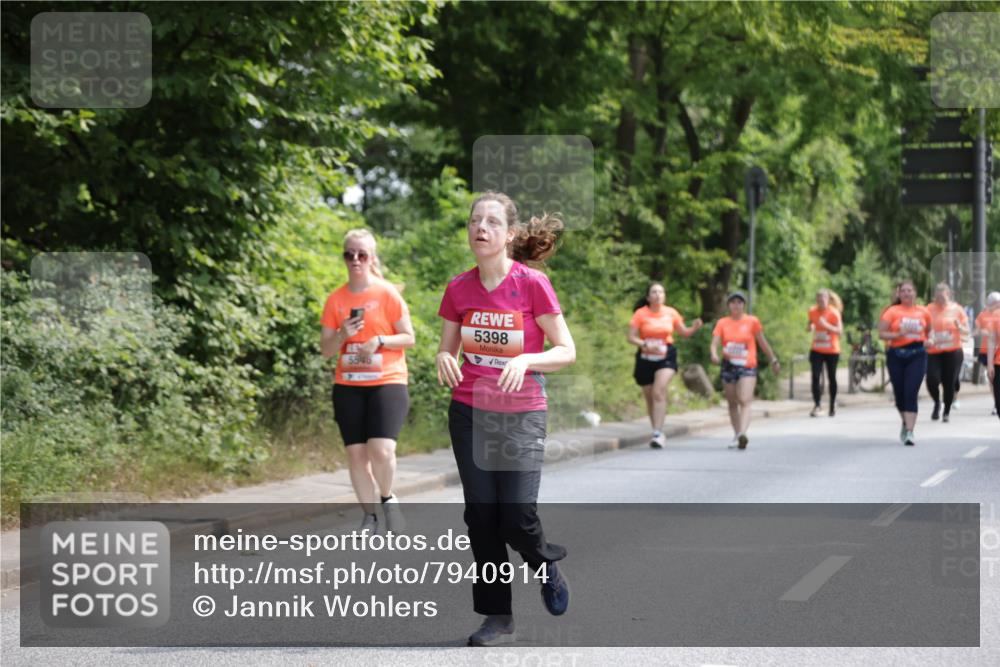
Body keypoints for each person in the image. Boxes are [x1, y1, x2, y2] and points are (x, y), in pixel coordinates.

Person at [436, 191, 576, 647]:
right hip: (470, 411)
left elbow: (566, 351)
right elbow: (447, 349)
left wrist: (527, 359)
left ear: (510, 233)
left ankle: (543, 564)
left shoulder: (532, 284)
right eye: (475, 220)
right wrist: (443, 358)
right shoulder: (459, 288)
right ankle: (498, 618)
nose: (481, 228)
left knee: (515, 514)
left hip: (521, 413)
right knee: (481, 516)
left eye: (492, 222)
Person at [320, 229, 415, 535]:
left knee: (382, 449)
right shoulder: (336, 299)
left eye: (362, 254)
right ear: (344, 258)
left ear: (372, 258)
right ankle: (369, 517)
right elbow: (326, 350)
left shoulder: (387, 294)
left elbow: (409, 337)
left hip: (387, 380)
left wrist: (379, 341)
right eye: (350, 254)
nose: (356, 260)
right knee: (357, 455)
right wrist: (342, 335)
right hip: (348, 385)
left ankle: (387, 498)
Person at [628, 283, 703, 448]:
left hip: (666, 355)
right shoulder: (640, 314)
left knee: (658, 391)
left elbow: (684, 332)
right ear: (648, 297)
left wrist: (694, 327)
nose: (658, 294)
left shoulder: (671, 313)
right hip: (645, 356)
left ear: (664, 296)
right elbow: (631, 337)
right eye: (654, 292)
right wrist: (645, 344)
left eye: (661, 292)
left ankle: (657, 433)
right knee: (650, 397)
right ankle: (656, 430)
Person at [709, 292, 780, 449]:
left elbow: (762, 343)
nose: (736, 305)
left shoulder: (752, 322)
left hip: (747, 365)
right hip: (729, 365)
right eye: (733, 302)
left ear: (744, 305)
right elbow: (714, 342)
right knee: (732, 401)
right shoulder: (722, 323)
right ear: (728, 305)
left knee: (744, 399)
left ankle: (743, 433)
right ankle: (736, 435)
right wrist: (714, 354)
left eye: (739, 302)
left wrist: (773, 360)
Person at [877, 279, 931, 446]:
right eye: (903, 291)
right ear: (899, 294)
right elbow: (881, 333)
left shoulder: (923, 312)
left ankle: (909, 431)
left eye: (909, 290)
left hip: (918, 355)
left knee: (910, 392)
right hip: (896, 355)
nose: (907, 293)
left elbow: (930, 332)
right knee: (899, 395)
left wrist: (930, 340)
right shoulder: (892, 311)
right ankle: (905, 422)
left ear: (915, 293)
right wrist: (897, 334)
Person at [925, 283, 969, 422]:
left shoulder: (957, 309)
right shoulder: (929, 309)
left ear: (948, 295)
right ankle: (937, 402)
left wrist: (960, 327)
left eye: (942, 297)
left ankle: (946, 411)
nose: (940, 300)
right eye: (937, 297)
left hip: (953, 351)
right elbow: (923, 327)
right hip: (934, 351)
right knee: (931, 379)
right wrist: (927, 338)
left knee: (949, 382)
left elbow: (967, 331)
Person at [807, 288, 843, 417]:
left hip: (832, 350)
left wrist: (826, 325)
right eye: (818, 299)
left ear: (828, 300)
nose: (821, 301)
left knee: (831, 377)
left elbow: (840, 331)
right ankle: (817, 404)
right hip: (817, 348)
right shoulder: (812, 311)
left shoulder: (834, 312)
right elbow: (810, 323)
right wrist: (810, 327)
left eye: (823, 299)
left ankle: (832, 404)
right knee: (815, 377)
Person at [974, 292, 1000, 415]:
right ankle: (996, 403)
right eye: (994, 303)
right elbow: (976, 332)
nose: (996, 305)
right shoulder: (984, 315)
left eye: (998, 302)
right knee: (992, 380)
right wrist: (982, 332)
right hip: (989, 352)